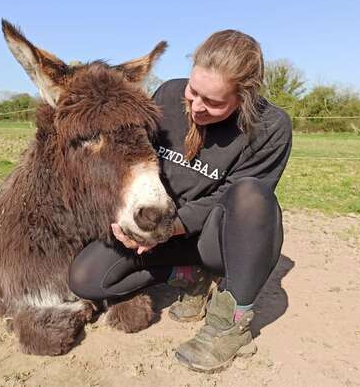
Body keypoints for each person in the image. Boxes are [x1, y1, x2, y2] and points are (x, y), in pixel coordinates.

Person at [69, 29, 292, 373]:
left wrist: (172, 227)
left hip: (213, 239)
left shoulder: (271, 127)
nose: (197, 106)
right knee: (86, 278)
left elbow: (227, 194)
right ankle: (186, 274)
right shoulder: (169, 93)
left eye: (214, 102)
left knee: (251, 195)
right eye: (194, 91)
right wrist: (128, 216)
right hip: (161, 229)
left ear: (244, 97)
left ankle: (230, 321)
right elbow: (135, 161)